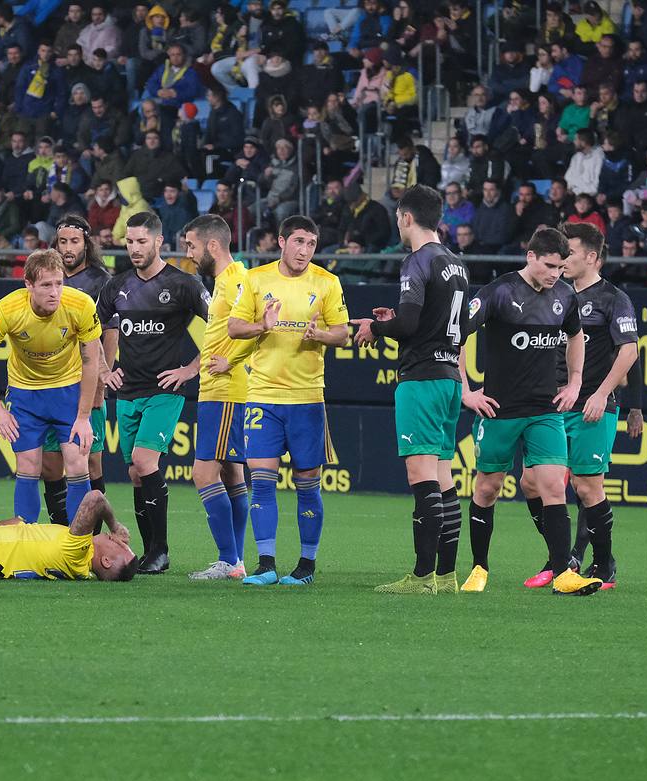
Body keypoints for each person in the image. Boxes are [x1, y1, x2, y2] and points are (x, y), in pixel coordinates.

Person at [457, 226, 604, 596]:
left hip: (545, 409)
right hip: (500, 410)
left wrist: (574, 381)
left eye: (561, 267)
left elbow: (575, 337)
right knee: (488, 488)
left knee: (553, 484)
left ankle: (562, 573)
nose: (556, 273)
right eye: (550, 265)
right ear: (531, 257)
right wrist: (466, 391)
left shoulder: (565, 296)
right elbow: (456, 335)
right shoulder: (499, 292)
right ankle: (479, 568)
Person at [351, 185, 468, 594]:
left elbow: (411, 325)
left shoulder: (417, 262)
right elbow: (430, 320)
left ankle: (421, 578)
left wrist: (377, 327)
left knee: (421, 477)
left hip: (421, 379)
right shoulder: (456, 262)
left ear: (405, 218)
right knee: (443, 475)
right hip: (451, 376)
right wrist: (397, 319)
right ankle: (448, 575)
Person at [515, 224, 640, 591]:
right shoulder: (559, 296)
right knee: (531, 482)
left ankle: (603, 564)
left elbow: (630, 351)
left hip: (592, 406)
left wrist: (602, 393)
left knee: (587, 487)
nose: (562, 260)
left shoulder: (613, 298)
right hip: (554, 404)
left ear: (590, 256)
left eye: (568, 253)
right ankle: (563, 558)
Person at [227, 215, 349, 587]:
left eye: (311, 244)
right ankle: (265, 565)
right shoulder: (255, 278)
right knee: (261, 482)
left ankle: (306, 566)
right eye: (298, 242)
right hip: (263, 396)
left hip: (307, 398)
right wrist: (262, 326)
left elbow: (343, 334)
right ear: (281, 242)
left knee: (307, 483)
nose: (305, 250)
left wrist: (321, 335)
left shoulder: (327, 282)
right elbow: (234, 327)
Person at [97, 211, 210, 573]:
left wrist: (191, 369)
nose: (134, 248)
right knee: (134, 473)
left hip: (164, 390)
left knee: (145, 462)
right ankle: (148, 554)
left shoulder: (184, 284)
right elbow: (90, 332)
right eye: (129, 242)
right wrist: (104, 369)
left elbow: (223, 325)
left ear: (159, 242)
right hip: (127, 392)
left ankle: (160, 550)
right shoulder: (116, 287)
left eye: (141, 241)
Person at [0, 248, 103, 525]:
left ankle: (79, 545)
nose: (55, 291)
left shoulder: (81, 305)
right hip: (25, 394)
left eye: (59, 283)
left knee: (78, 462)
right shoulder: (8, 309)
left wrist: (84, 417)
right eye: (46, 285)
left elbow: (92, 362)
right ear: (28, 284)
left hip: (68, 390)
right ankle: (26, 544)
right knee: (29, 466)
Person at [0, 448, 139, 581]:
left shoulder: (77, 552)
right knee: (18, 521)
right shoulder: (75, 566)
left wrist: (114, 525)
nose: (118, 540)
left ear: (106, 562)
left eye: (121, 546)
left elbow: (95, 499)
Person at [180, 215, 253, 580]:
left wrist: (233, 361)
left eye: (192, 246)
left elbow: (261, 325)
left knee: (203, 473)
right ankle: (235, 562)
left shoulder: (237, 280)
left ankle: (228, 560)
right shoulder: (225, 282)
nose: (189, 254)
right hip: (218, 390)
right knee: (231, 473)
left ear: (212, 246)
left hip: (226, 390)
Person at [40, 216, 113, 525]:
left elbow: (109, 334)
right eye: (63, 242)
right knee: (50, 466)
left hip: (85, 385)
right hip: (52, 385)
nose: (68, 248)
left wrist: (101, 381)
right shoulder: (48, 277)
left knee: (91, 463)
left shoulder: (101, 281)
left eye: (74, 242)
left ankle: (93, 536)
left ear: (87, 243)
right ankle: (61, 531)